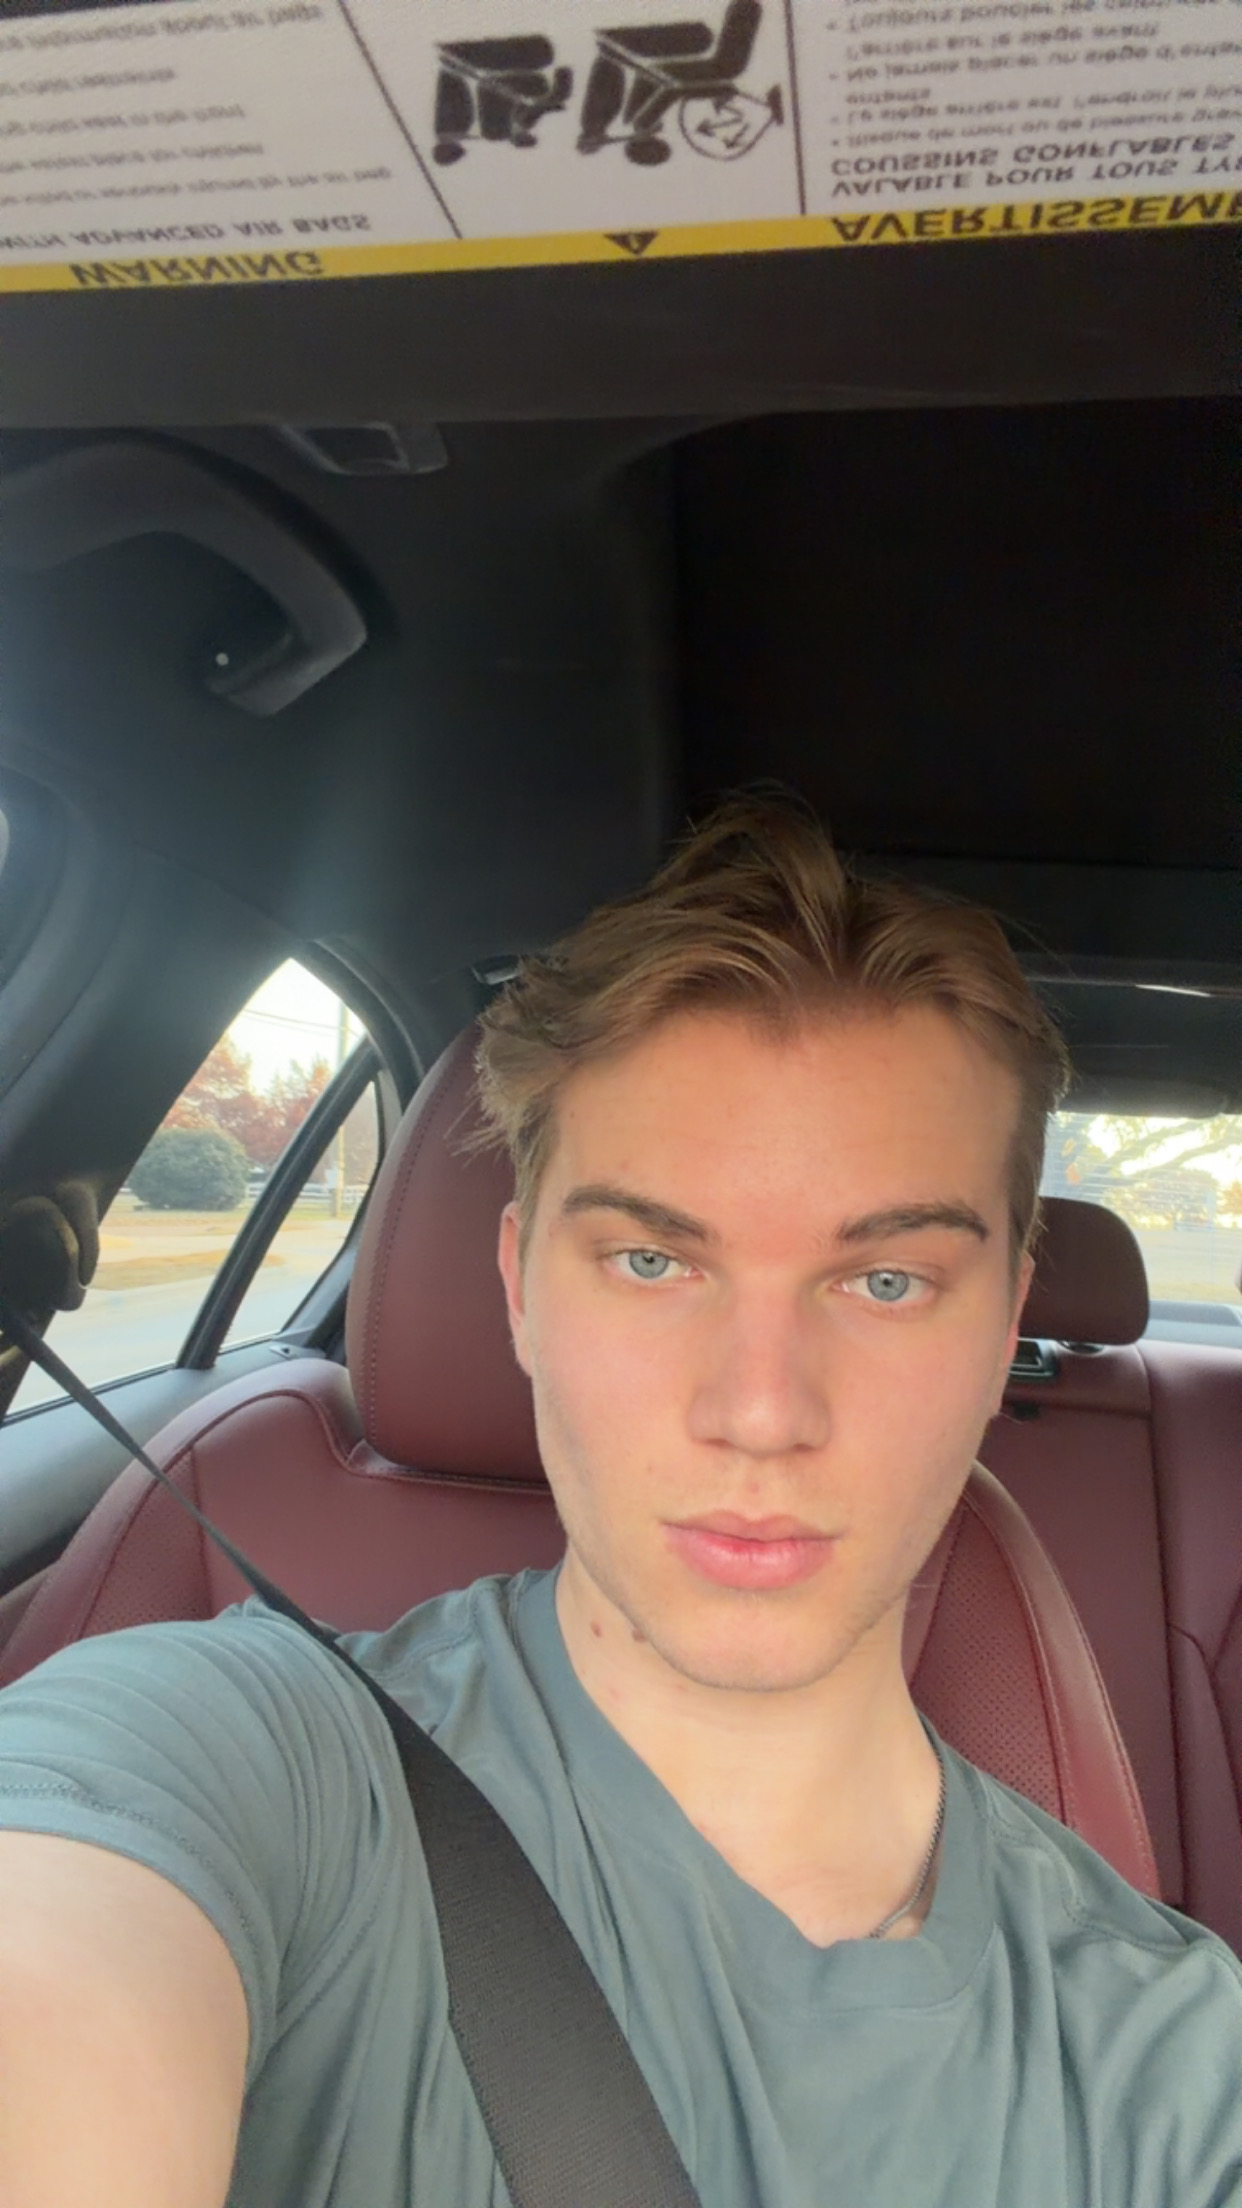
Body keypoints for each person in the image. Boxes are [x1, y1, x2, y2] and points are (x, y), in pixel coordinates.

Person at [1, 797, 1240, 2207]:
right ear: (520, 1288)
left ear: (1005, 1319)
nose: (759, 1412)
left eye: (886, 1280)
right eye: (653, 1263)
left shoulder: (1169, 2059)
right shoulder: (232, 1758)